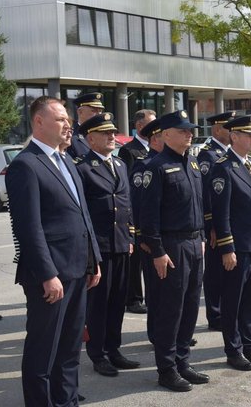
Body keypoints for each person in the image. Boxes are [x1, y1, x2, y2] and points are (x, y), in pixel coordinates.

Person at [6, 96, 102, 406]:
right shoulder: (25, 165)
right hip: (50, 276)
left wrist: (94, 260)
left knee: (70, 349)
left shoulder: (66, 161)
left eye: (68, 119)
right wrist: (48, 274)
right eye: (60, 118)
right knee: (43, 351)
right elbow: (29, 227)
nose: (68, 124)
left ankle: (67, 401)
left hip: (77, 270)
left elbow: (83, 216)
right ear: (39, 122)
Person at [140, 110, 210, 392]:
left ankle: (182, 361)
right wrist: (157, 250)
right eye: (183, 131)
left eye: (190, 130)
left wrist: (202, 237)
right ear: (166, 135)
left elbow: (200, 207)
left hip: (193, 243)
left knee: (191, 306)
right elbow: (148, 215)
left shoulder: (192, 164)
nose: (189, 134)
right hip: (171, 247)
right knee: (171, 309)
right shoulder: (156, 166)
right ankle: (166, 369)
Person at [210, 115, 251, 371]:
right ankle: (234, 350)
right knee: (233, 301)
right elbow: (221, 212)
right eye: (248, 135)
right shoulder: (223, 167)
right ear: (234, 137)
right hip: (237, 247)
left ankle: (250, 345)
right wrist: (227, 248)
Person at [75, 114, 139, 377]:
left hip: (122, 243)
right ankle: (98, 354)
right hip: (99, 245)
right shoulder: (82, 168)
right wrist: (90, 250)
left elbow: (127, 204)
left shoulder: (121, 165)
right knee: (98, 304)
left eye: (113, 133)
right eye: (105, 133)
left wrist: (131, 236)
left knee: (117, 301)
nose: (112, 137)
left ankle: (114, 349)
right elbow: (83, 213)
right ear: (90, 138)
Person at [198, 111, 236, 331]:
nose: (232, 132)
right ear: (217, 129)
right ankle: (215, 314)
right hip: (215, 223)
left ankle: (223, 310)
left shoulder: (227, 154)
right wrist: (211, 225)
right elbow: (207, 193)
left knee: (225, 270)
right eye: (228, 128)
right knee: (214, 270)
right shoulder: (208, 155)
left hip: (230, 221)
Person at [129, 118, 164, 342]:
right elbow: (138, 203)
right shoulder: (144, 165)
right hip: (153, 238)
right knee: (157, 292)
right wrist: (141, 235)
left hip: (175, 236)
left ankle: (175, 332)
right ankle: (158, 334)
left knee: (173, 292)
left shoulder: (179, 162)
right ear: (154, 139)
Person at [121, 109, 156, 314]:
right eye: (151, 124)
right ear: (140, 126)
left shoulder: (154, 149)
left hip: (148, 211)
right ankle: (133, 298)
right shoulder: (130, 150)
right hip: (135, 212)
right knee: (135, 262)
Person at [67, 92, 104, 162]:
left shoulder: (103, 134)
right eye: (94, 110)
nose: (98, 114)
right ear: (80, 112)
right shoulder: (70, 135)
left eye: (100, 111)